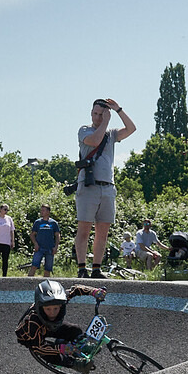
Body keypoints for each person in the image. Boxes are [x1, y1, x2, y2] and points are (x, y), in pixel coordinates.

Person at [73, 98, 136, 278]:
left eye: (102, 114)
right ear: (91, 113)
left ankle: (97, 268)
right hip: (88, 186)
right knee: (84, 229)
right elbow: (94, 141)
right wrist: (106, 122)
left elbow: (131, 129)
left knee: (103, 231)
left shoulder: (111, 134)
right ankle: (81, 268)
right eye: (95, 113)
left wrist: (119, 110)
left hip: (107, 187)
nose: (98, 117)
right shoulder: (84, 130)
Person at [15, 279, 107, 372]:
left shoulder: (59, 299)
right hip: (30, 335)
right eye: (48, 309)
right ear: (41, 307)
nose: (52, 313)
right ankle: (72, 363)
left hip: (48, 326)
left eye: (56, 308)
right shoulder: (32, 322)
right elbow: (40, 348)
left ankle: (80, 346)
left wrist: (94, 291)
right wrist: (61, 349)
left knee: (75, 329)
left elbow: (75, 290)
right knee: (50, 354)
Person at [28, 204, 60, 278]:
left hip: (50, 248)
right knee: (34, 266)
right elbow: (32, 234)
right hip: (39, 248)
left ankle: (46, 285)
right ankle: (27, 282)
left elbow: (57, 235)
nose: (41, 212)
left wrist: (56, 247)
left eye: (43, 210)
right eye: (41, 210)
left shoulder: (54, 223)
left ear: (48, 212)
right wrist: (35, 244)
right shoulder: (38, 222)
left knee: (48, 269)